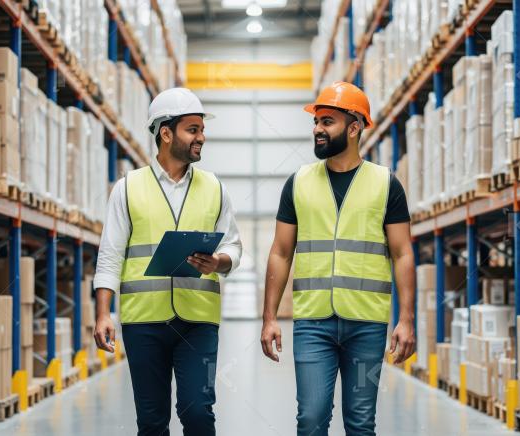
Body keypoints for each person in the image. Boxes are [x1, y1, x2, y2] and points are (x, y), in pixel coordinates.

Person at [260, 81, 416, 435]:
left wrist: (406, 320)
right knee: (311, 419)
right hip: (313, 323)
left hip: (367, 324)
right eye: (315, 122)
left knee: (361, 423)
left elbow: (403, 253)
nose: (317, 130)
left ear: (354, 127)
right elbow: (281, 252)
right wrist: (269, 317)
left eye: (327, 121)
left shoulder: (385, 183)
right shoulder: (298, 183)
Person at [93, 87, 242, 436]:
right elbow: (110, 255)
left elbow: (234, 246)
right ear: (166, 133)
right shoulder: (127, 189)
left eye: (202, 130)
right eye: (193, 129)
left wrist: (218, 261)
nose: (201, 138)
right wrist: (103, 314)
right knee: (152, 419)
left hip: (198, 321)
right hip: (144, 320)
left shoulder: (215, 188)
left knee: (199, 413)